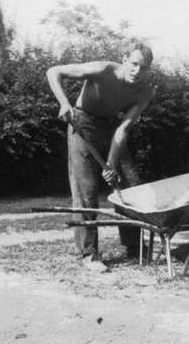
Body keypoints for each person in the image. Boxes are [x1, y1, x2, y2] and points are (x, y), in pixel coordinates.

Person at [46, 43, 153, 271]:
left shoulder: (143, 92)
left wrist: (112, 164)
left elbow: (123, 129)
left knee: (130, 185)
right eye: (134, 64)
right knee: (87, 190)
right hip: (83, 124)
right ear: (124, 58)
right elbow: (54, 71)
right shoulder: (103, 70)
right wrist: (64, 103)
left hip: (112, 127)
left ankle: (134, 247)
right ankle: (89, 254)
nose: (137, 71)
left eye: (143, 68)